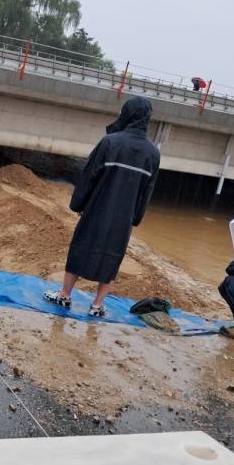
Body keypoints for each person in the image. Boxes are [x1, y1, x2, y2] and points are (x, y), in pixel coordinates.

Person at [44, 96, 160, 316]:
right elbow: (147, 190)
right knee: (112, 256)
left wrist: (79, 203)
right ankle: (97, 305)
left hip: (97, 209)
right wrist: (135, 217)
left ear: (127, 113)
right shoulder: (153, 154)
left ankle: (65, 296)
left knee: (81, 248)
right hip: (123, 218)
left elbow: (90, 175)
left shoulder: (110, 142)